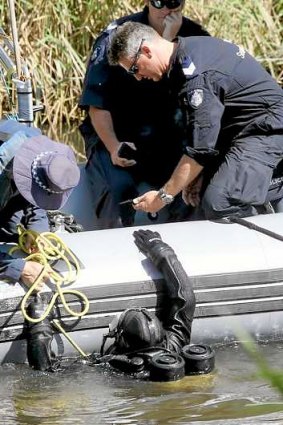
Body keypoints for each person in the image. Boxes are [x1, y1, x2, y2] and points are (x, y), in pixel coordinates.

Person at [107, 22, 283, 220]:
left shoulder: (195, 77)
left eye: (134, 69)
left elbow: (200, 150)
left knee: (220, 201)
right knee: (201, 191)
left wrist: (161, 198)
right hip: (243, 131)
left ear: (146, 51)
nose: (138, 77)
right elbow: (204, 134)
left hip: (268, 129)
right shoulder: (188, 52)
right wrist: (199, 175)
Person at [79, 0, 210, 228]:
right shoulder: (117, 37)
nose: (166, 9)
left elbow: (205, 109)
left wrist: (168, 43)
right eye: (159, 2)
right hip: (118, 139)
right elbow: (97, 105)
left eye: (174, 2)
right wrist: (113, 147)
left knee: (192, 189)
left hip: (169, 138)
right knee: (118, 187)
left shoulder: (196, 37)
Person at [25, 228, 214, 380]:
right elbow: (185, 299)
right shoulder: (174, 345)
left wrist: (38, 323)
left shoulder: (111, 365)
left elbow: (46, 375)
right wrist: (160, 250)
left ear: (120, 338)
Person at [0, 130, 80, 289]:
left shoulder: (40, 156)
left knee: (13, 229)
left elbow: (36, 201)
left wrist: (38, 233)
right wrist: (19, 268)